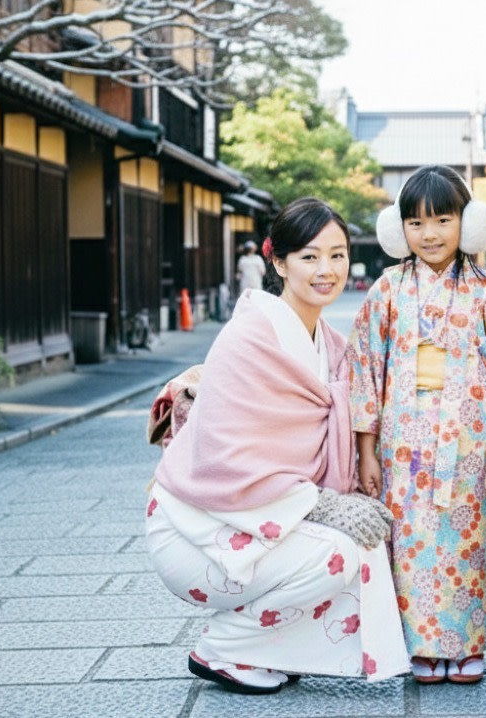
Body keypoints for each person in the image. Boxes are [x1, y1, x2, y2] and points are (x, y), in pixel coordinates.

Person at [145, 198, 409, 695]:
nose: (326, 270)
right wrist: (326, 502)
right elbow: (229, 458)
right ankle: (223, 646)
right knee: (339, 551)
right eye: (309, 257)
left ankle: (262, 649)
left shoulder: (329, 344)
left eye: (337, 255)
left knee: (364, 545)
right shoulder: (249, 338)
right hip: (197, 528)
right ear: (278, 262)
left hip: (253, 523)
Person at [347, 165, 486, 684]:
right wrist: (366, 450)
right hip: (402, 441)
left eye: (442, 219)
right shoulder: (388, 290)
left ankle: (465, 643)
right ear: (399, 229)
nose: (430, 234)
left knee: (468, 541)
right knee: (407, 541)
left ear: (468, 222)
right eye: (416, 223)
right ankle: (418, 645)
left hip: (469, 441)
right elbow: (365, 368)